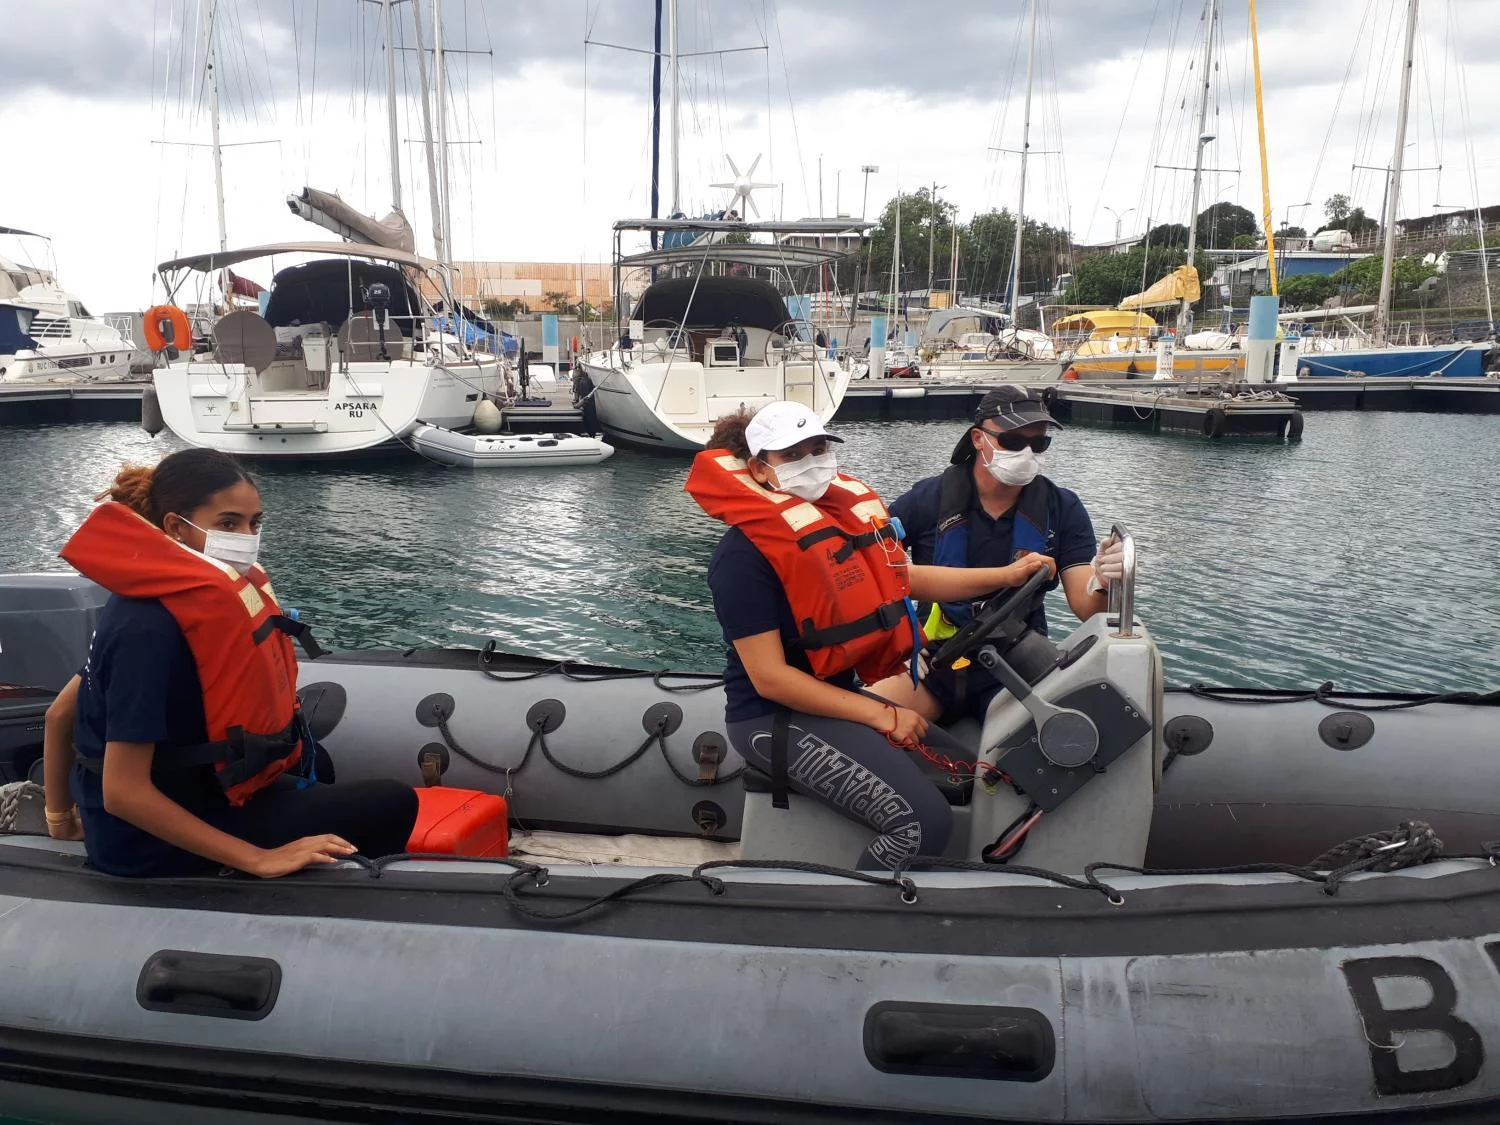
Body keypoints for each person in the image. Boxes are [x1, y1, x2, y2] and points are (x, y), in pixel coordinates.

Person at [688, 402, 1057, 871]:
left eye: (818, 447)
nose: (813, 461)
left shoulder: (840, 525)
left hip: (834, 701)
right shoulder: (742, 557)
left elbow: (910, 579)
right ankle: (863, 921)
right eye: (793, 454)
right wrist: (880, 713)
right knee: (922, 824)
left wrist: (1006, 575)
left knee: (971, 774)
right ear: (761, 470)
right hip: (771, 720)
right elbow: (770, 679)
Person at [48, 448, 418, 878]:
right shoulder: (148, 629)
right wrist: (258, 858)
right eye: (228, 523)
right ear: (175, 527)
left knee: (321, 764)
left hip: (198, 789)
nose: (246, 536)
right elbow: (123, 793)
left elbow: (60, 713)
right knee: (392, 802)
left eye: (254, 523)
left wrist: (59, 817)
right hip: (144, 840)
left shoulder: (158, 600)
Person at [871, 385, 1124, 724]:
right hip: (933, 661)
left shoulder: (1062, 507)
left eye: (1038, 443)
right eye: (1014, 442)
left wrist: (1105, 580)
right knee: (864, 722)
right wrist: (894, 640)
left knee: (1066, 739)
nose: (1027, 452)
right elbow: (873, 573)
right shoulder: (925, 500)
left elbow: (1086, 607)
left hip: (1018, 665)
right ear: (978, 438)